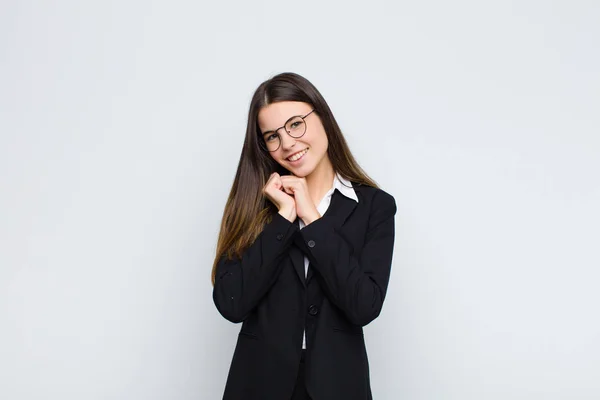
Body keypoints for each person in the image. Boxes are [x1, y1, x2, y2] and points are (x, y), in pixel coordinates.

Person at [211, 72, 396, 400]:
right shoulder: (254, 205)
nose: (287, 144)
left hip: (339, 386)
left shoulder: (374, 207)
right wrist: (284, 218)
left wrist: (311, 218)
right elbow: (231, 303)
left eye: (295, 124)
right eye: (272, 136)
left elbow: (364, 306)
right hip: (258, 386)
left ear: (323, 117)